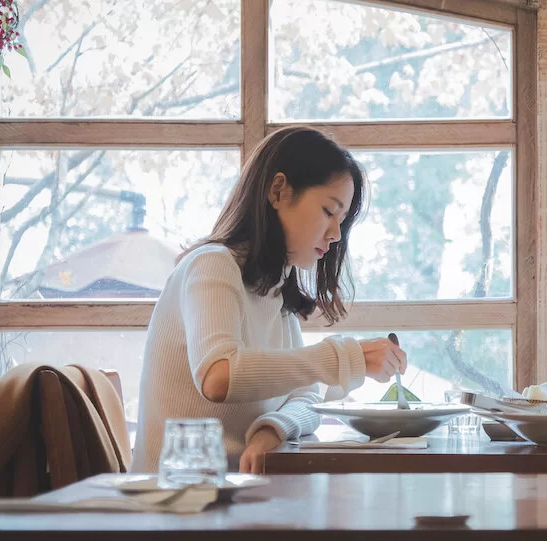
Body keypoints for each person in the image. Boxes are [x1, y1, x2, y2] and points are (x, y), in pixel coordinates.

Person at [133, 127, 406, 475]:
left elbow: (306, 395)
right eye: (328, 210)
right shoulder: (213, 265)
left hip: (231, 500)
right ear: (278, 191)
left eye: (342, 220)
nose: (336, 235)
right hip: (176, 507)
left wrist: (271, 429)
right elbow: (218, 376)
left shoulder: (275, 293)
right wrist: (344, 357)